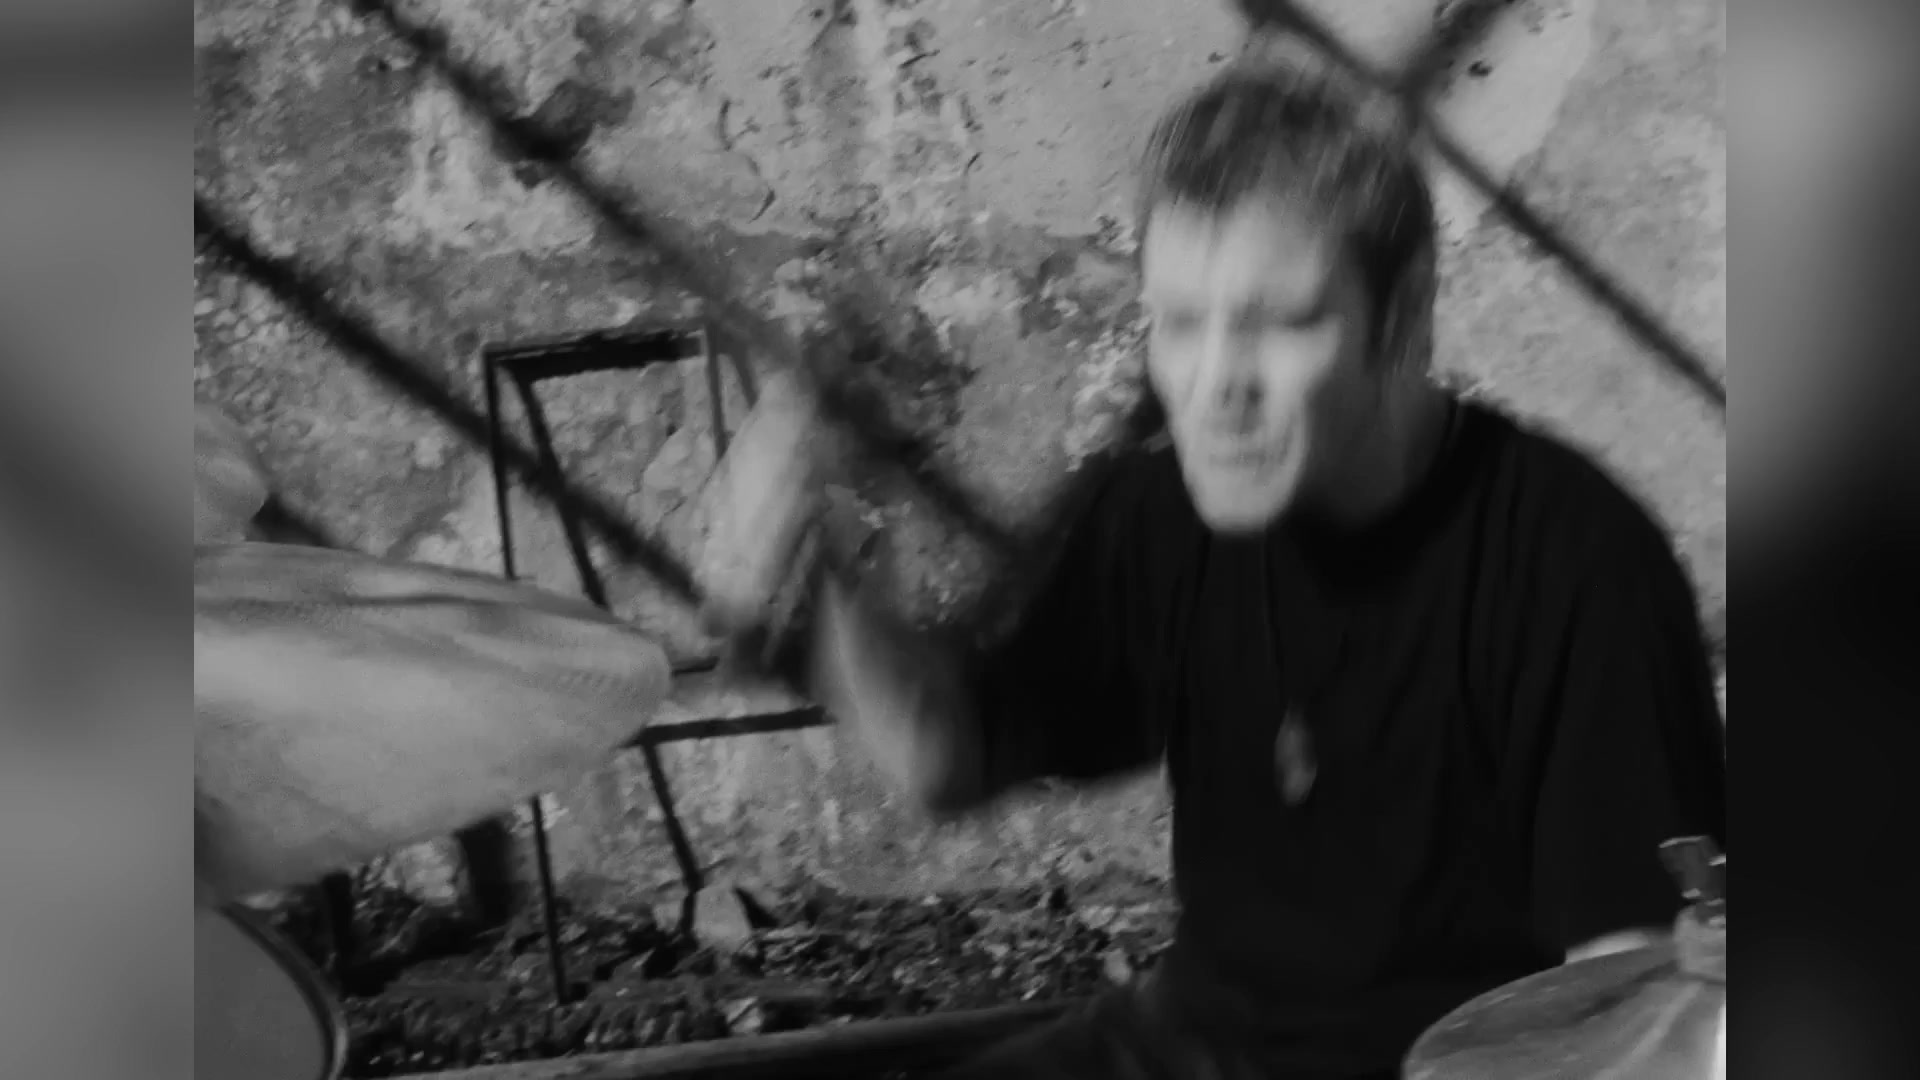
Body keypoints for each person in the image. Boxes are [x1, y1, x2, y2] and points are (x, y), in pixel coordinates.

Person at [706, 54, 1727, 1080]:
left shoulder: (1574, 559)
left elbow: (1635, 1011)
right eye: (1182, 324)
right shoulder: (1163, 509)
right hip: (1187, 1044)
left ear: (1403, 316)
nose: (1213, 386)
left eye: (1280, 323)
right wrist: (817, 596)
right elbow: (949, 751)